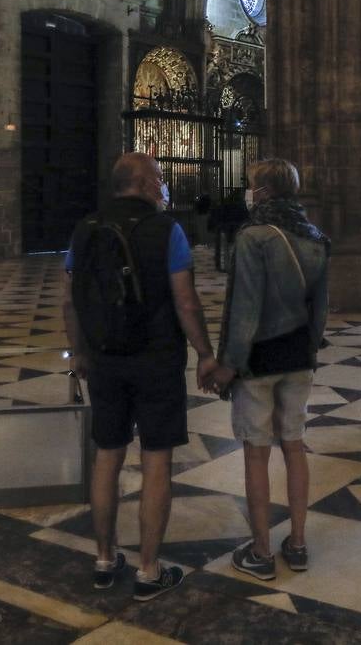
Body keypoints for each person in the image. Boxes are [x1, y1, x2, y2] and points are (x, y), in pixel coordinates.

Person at [64, 152, 218, 601]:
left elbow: (70, 300)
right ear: (149, 184)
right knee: (156, 460)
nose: (165, 186)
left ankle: (104, 560)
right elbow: (186, 302)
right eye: (163, 179)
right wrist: (205, 353)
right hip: (156, 359)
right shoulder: (166, 230)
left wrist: (78, 352)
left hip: (105, 358)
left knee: (107, 456)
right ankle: (149, 570)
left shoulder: (84, 228)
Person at [202, 158, 330, 581]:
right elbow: (321, 309)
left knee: (257, 454)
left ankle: (260, 551)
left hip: (258, 360)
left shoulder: (254, 237)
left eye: (251, 185)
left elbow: (245, 309)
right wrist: (308, 348)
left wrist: (227, 365)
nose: (248, 191)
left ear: (265, 192)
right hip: (299, 357)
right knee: (294, 445)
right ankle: (297, 543)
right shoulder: (315, 238)